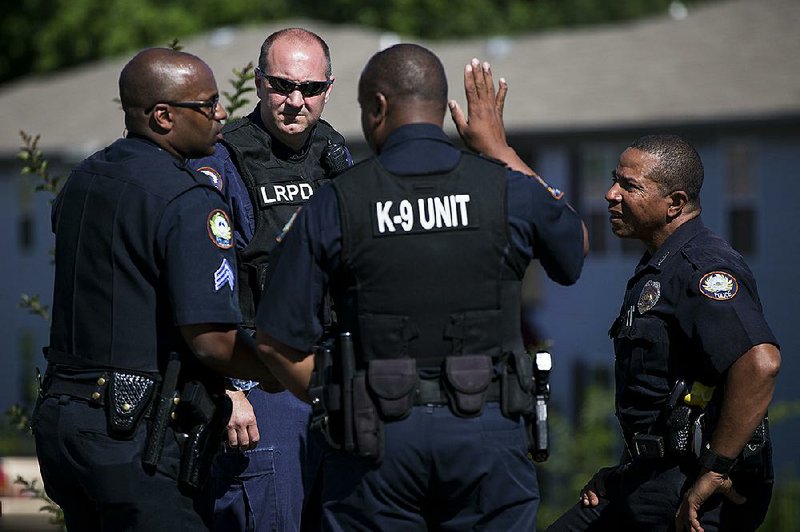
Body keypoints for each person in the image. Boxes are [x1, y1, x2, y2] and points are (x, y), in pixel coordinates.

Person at [254, 44, 589, 530]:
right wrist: (500, 149)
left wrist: (338, 399)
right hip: (488, 435)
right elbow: (573, 251)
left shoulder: (337, 202)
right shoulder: (505, 190)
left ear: (377, 108)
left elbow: (276, 341)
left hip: (375, 441)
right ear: (441, 108)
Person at [32, 48, 279, 531]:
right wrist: (285, 370)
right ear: (163, 116)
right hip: (131, 438)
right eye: (207, 105)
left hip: (64, 422)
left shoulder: (83, 179)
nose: (222, 112)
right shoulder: (188, 199)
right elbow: (212, 341)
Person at [547, 135, 781, 532]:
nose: (610, 194)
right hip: (646, 475)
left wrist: (715, 469)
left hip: (692, 493)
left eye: (629, 186)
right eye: (613, 180)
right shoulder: (660, 266)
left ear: (674, 203)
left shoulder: (701, 267)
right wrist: (626, 469)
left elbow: (760, 364)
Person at [190, 27, 352, 531]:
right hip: (260, 390)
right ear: (259, 83)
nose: (295, 101)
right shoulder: (223, 161)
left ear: (328, 89)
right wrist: (226, 390)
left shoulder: (336, 154)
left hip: (332, 385)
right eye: (282, 85)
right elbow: (198, 286)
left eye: (309, 88)